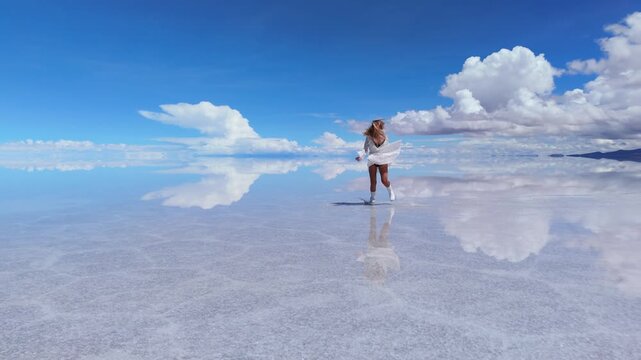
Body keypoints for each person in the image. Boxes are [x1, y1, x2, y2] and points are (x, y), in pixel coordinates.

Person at [355, 119, 400, 203]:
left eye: (377, 125)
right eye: (375, 125)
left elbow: (388, 148)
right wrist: (361, 157)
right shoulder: (368, 137)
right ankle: (372, 198)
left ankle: (391, 191)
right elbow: (365, 149)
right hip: (372, 158)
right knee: (373, 181)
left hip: (383, 158)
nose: (375, 127)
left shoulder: (385, 136)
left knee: (384, 180)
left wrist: (390, 156)